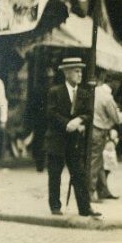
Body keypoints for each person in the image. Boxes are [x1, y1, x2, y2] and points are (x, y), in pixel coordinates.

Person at [45, 57, 100, 217]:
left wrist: (79, 120)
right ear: (66, 73)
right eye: (76, 71)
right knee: (55, 174)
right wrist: (67, 124)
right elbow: (51, 113)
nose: (80, 74)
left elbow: (89, 113)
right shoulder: (55, 91)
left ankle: (85, 208)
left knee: (79, 174)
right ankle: (55, 206)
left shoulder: (84, 93)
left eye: (81, 71)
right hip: (56, 139)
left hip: (74, 142)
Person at [90, 72, 122, 201]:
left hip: (92, 130)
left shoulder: (95, 91)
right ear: (114, 82)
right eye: (119, 83)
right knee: (95, 164)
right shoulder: (108, 98)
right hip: (100, 131)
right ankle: (89, 193)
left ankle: (103, 190)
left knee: (98, 162)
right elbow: (118, 119)